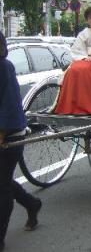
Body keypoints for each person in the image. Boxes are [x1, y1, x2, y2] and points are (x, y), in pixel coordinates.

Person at [0, 31, 42, 252]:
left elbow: (10, 105)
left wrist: (2, 132)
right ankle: (32, 204)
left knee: (1, 186)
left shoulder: (4, 67)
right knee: (3, 181)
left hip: (9, 134)